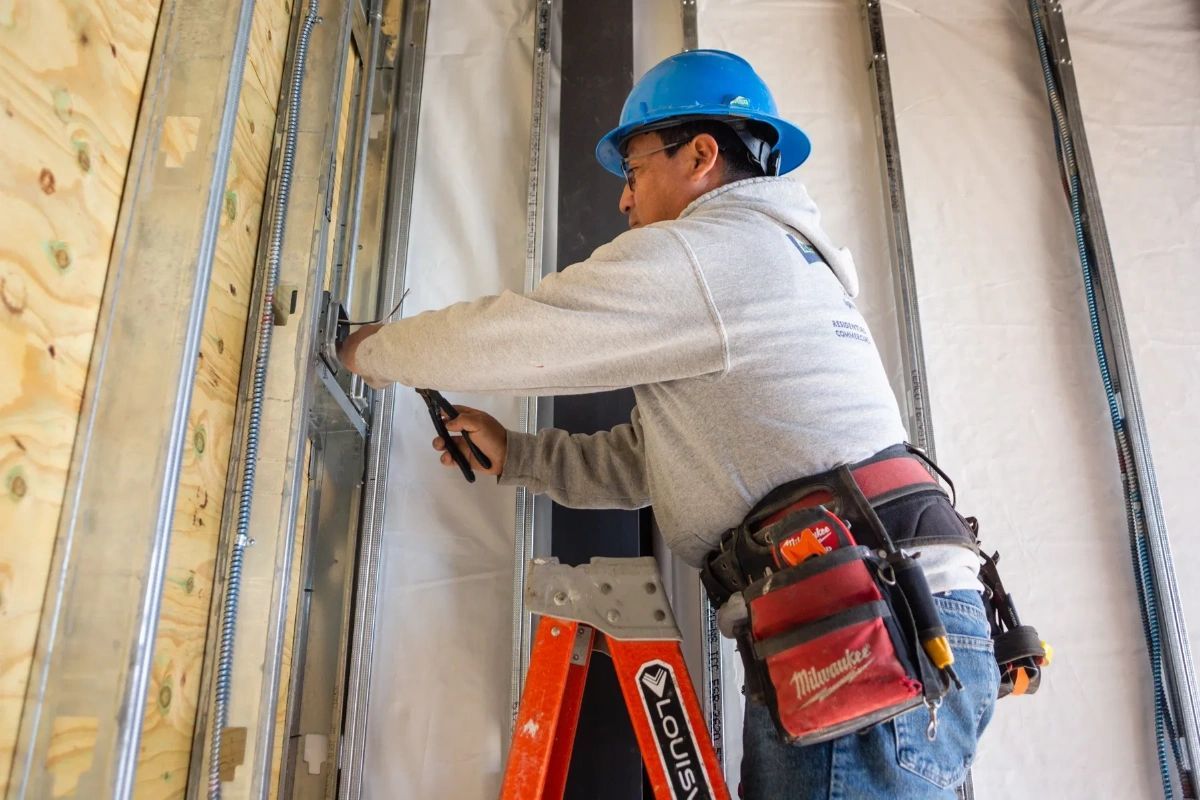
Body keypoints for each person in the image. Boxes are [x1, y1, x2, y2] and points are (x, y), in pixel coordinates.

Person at [340, 49, 995, 799]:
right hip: (887, 608)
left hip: (855, 613)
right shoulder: (772, 257)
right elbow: (658, 459)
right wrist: (519, 455)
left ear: (702, 155)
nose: (624, 202)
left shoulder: (712, 253)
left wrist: (374, 350)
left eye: (634, 171)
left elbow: (533, 332)